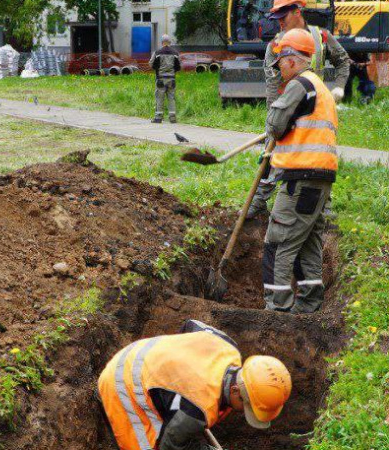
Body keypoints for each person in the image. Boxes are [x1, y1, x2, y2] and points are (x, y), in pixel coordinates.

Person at [98, 320, 292, 450]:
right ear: (235, 391)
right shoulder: (196, 409)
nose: (244, 411)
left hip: (141, 352)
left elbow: (191, 325)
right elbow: (169, 446)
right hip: (123, 383)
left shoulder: (227, 347)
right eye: (247, 406)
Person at [247, 0, 348, 219]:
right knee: (272, 154)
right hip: (286, 108)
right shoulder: (275, 45)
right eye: (277, 19)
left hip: (315, 110)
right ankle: (258, 201)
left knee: (319, 156)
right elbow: (272, 84)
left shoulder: (320, 37)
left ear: (297, 12)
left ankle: (323, 208)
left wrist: (338, 88)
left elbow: (343, 61)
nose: (280, 23)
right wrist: (273, 118)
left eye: (283, 18)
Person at [261, 29, 338, 314]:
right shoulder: (320, 87)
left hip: (300, 179)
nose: (279, 67)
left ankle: (276, 307)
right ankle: (309, 303)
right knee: (307, 241)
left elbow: (275, 125)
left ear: (293, 59)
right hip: (319, 179)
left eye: (280, 60)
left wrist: (274, 127)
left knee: (278, 241)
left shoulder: (299, 86)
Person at [149, 35, 181, 124]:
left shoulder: (157, 53)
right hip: (172, 79)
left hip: (160, 79)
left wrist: (158, 69)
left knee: (159, 98)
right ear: (170, 42)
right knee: (171, 98)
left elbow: (151, 64)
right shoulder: (175, 53)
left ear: (162, 42)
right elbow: (179, 66)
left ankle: (158, 118)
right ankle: (173, 118)